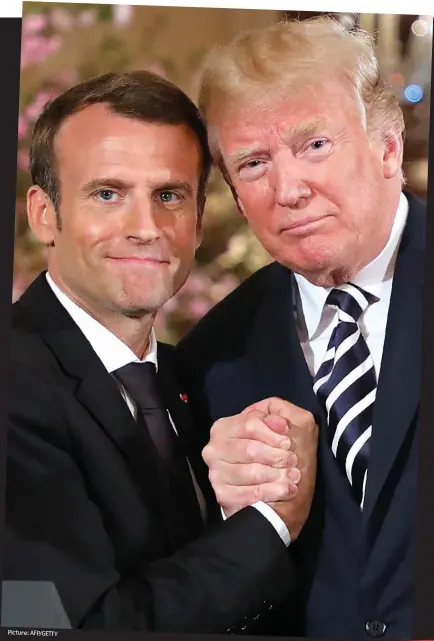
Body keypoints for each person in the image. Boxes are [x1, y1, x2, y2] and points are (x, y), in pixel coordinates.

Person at [4, 71, 319, 632]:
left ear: (198, 221)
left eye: (169, 196)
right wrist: (269, 523)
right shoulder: (15, 388)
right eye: (108, 194)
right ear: (43, 215)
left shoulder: (188, 375)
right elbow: (67, 631)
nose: (146, 228)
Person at [175, 17, 425, 638]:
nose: (289, 190)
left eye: (315, 145)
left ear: (387, 148)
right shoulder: (211, 357)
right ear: (235, 195)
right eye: (254, 163)